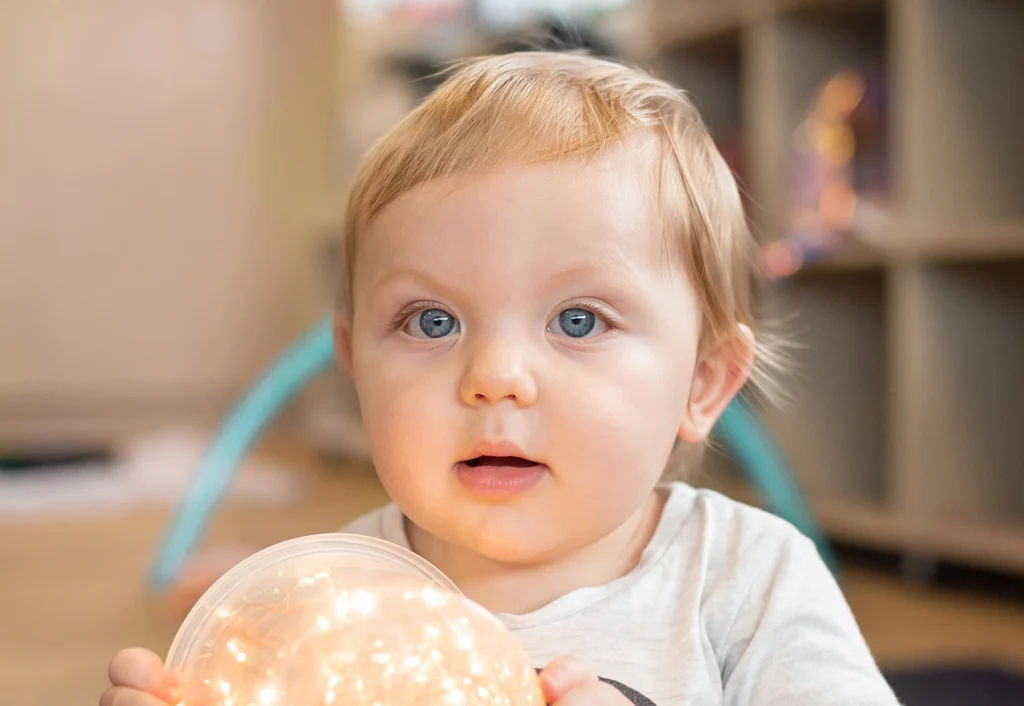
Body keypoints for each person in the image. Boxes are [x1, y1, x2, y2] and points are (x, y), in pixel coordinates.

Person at [101, 52, 899, 705]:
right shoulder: (338, 599)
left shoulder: (744, 579)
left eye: (578, 321)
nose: (495, 379)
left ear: (704, 384)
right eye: (432, 322)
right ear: (354, 366)